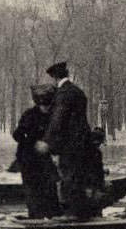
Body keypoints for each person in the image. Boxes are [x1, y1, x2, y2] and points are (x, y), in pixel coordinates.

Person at [37, 61, 94, 220]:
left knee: (68, 175)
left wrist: (47, 141)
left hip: (70, 143)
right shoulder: (78, 91)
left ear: (55, 77)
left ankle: (71, 214)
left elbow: (58, 119)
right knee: (79, 175)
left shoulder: (63, 93)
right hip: (82, 141)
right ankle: (81, 213)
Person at [12, 84, 62, 219]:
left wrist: (53, 149)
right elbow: (17, 135)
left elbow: (58, 137)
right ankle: (35, 220)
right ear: (38, 104)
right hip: (28, 159)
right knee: (33, 192)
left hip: (46, 159)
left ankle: (54, 219)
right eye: (43, 106)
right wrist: (34, 143)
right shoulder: (29, 115)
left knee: (51, 189)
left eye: (48, 106)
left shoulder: (54, 116)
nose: (46, 109)